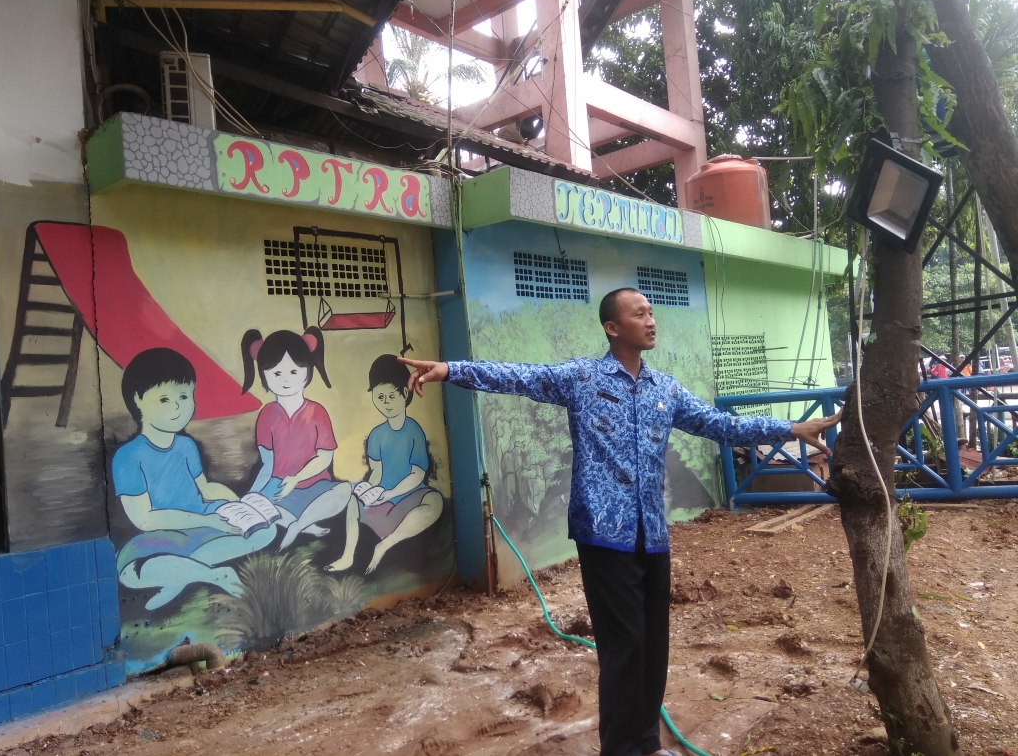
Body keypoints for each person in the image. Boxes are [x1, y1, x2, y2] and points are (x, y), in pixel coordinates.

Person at [399, 288, 839, 756]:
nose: (650, 320)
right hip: (604, 533)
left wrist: (789, 429)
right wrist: (450, 370)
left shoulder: (663, 389)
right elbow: (519, 377)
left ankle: (646, 744)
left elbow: (718, 424)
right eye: (639, 314)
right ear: (613, 328)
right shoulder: (582, 378)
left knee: (652, 646)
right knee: (623, 647)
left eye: (652, 312)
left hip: (652, 533)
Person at [113, 348, 277, 610]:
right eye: (165, 399)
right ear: (138, 400)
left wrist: (240, 506)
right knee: (129, 572)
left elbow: (206, 489)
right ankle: (213, 575)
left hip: (203, 526)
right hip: (163, 536)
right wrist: (208, 521)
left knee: (265, 530)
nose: (178, 406)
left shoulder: (186, 446)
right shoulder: (128, 456)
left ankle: (178, 579)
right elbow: (145, 519)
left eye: (184, 395)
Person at [241, 327, 358, 567]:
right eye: (276, 373)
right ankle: (304, 522)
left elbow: (325, 458)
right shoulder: (267, 415)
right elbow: (268, 463)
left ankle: (299, 525)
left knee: (344, 491)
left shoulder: (318, 412)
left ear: (307, 371)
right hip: (279, 489)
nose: (286, 379)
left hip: (315, 485)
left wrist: (296, 478)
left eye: (294, 371)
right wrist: (251, 495)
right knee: (259, 506)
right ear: (264, 375)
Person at [357, 354, 443, 574]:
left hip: (410, 493)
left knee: (435, 502)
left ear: (404, 394)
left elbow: (417, 474)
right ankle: (349, 555)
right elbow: (376, 472)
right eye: (380, 397)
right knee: (353, 503)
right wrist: (370, 490)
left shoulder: (413, 430)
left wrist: (392, 492)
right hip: (384, 496)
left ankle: (387, 543)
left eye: (391, 396)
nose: (385, 403)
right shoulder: (376, 435)